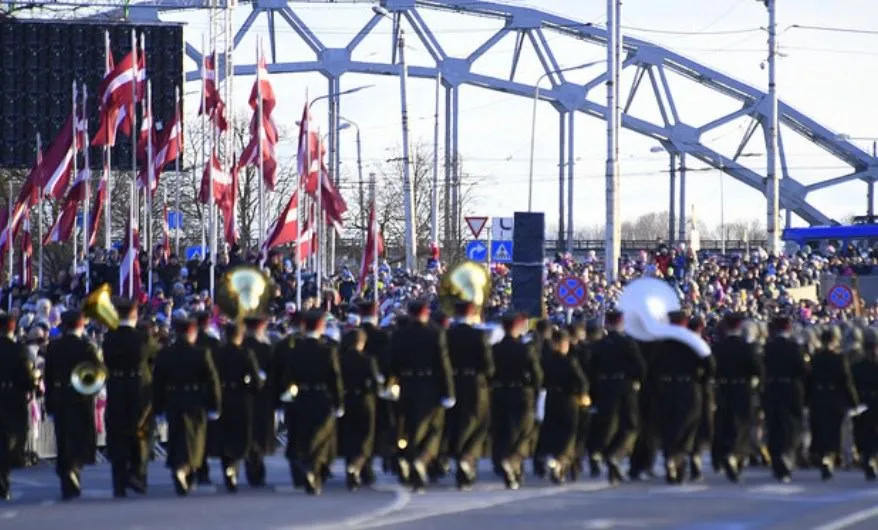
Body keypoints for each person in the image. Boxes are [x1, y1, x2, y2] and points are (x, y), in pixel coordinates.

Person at [389, 300, 455, 492]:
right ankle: (421, 458)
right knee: (433, 428)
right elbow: (443, 364)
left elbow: (393, 363)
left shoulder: (400, 335)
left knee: (409, 427)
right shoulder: (435, 334)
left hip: (407, 385)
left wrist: (391, 384)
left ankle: (410, 461)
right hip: (430, 386)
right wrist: (448, 391)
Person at [152, 317, 222, 496]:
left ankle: (179, 467)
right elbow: (212, 381)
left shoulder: (165, 353)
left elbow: (158, 382)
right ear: (192, 333)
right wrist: (215, 405)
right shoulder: (201, 353)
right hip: (196, 400)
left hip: (174, 399)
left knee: (176, 436)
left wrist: (158, 407)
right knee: (194, 438)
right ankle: (184, 469)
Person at [276, 311, 344, 495]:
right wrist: (339, 403)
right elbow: (335, 378)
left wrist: (284, 397)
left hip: (300, 397)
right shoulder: (328, 350)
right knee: (323, 437)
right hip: (322, 398)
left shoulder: (294, 350)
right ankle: (313, 468)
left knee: (301, 434)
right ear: (321, 327)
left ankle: (306, 466)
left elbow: (286, 377)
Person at [43, 310, 104, 500]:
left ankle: (66, 472)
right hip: (81, 397)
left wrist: (49, 400)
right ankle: (73, 469)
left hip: (60, 395)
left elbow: (49, 376)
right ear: (81, 325)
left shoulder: (54, 347)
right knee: (79, 437)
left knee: (63, 436)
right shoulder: (87, 347)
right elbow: (98, 374)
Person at [102, 299, 158, 497]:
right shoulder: (143, 338)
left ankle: (119, 482)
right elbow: (155, 360)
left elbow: (107, 362)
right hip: (140, 391)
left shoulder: (109, 338)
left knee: (117, 434)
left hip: (117, 389)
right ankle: (138, 474)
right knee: (142, 433)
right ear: (134, 315)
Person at [652, 311, 712, 484]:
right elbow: (709, 364)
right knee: (688, 424)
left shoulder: (662, 342)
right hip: (688, 387)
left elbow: (652, 366)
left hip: (666, 388)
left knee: (668, 424)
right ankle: (676, 457)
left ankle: (670, 455)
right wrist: (702, 380)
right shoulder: (692, 341)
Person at [588, 310, 645, 485]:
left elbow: (591, 370)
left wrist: (594, 391)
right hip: (624, 387)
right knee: (630, 425)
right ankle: (614, 454)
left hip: (604, 387)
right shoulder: (627, 343)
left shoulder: (599, 345)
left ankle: (598, 453)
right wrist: (636, 381)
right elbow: (640, 367)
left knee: (606, 423)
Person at [445, 300, 495, 489]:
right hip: (475, 384)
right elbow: (488, 366)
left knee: (456, 422)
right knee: (477, 423)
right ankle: (467, 458)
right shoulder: (478, 336)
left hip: (453, 382)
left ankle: (460, 458)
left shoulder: (448, 335)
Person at [490, 312, 543, 490]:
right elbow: (537, 375)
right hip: (521, 393)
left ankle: (504, 462)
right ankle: (512, 460)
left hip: (499, 393)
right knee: (523, 431)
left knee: (502, 429)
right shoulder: (524, 349)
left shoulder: (495, 349)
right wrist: (536, 391)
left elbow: (489, 371)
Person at [712, 314, 764, 483]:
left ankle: (725, 452)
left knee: (724, 422)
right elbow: (758, 370)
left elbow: (712, 369)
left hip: (723, 389)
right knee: (741, 424)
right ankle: (734, 454)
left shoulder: (718, 347)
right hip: (742, 389)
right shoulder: (746, 348)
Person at [211, 322, 262, 493]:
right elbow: (256, 380)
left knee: (225, 436)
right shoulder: (245, 354)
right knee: (241, 436)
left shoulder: (217, 354)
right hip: (241, 398)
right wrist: (253, 389)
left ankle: (228, 468)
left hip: (222, 397)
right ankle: (235, 467)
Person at [808, 326, 859, 480]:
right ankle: (828, 458)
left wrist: (806, 399)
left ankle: (822, 455)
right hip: (834, 398)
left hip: (818, 397)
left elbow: (809, 380)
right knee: (833, 430)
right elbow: (846, 381)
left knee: (820, 429)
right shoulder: (839, 359)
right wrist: (854, 401)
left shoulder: (815, 358)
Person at [762, 316, 808, 483]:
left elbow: (762, 369)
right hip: (791, 390)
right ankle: (787, 455)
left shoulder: (768, 347)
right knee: (791, 426)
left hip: (772, 389)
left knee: (773, 426)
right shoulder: (794, 347)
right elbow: (803, 370)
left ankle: (776, 461)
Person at [539, 329, 589, 484]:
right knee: (569, 432)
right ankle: (561, 460)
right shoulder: (570, 361)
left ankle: (553, 457)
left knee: (552, 429)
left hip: (551, 398)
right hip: (568, 399)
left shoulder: (545, 360)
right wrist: (582, 393)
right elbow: (582, 381)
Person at [338, 327, 380, 490]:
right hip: (364, 400)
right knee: (365, 438)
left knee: (349, 435)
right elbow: (375, 383)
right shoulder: (368, 360)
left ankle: (352, 467)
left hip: (346, 399)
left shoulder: (340, 359)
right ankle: (356, 467)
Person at [0, 312, 36, 501]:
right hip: (13, 399)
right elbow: (28, 376)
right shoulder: (19, 350)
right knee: (10, 440)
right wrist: (32, 387)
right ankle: (3, 481)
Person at [242, 315, 275, 487]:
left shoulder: (240, 348)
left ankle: (250, 464)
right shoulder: (266, 349)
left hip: (242, 397)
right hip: (262, 397)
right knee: (259, 434)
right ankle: (257, 468)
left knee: (247, 432)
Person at [194, 311, 221, 485]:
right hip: (206, 394)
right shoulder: (213, 343)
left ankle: (193, 468)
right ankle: (202, 471)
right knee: (204, 434)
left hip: (187, 395)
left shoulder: (193, 342)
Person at [852, 327, 878, 480]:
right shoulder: (858, 366)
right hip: (864, 403)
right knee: (865, 434)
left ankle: (869, 459)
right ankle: (868, 459)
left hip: (868, 403)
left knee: (869, 434)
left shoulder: (858, 366)